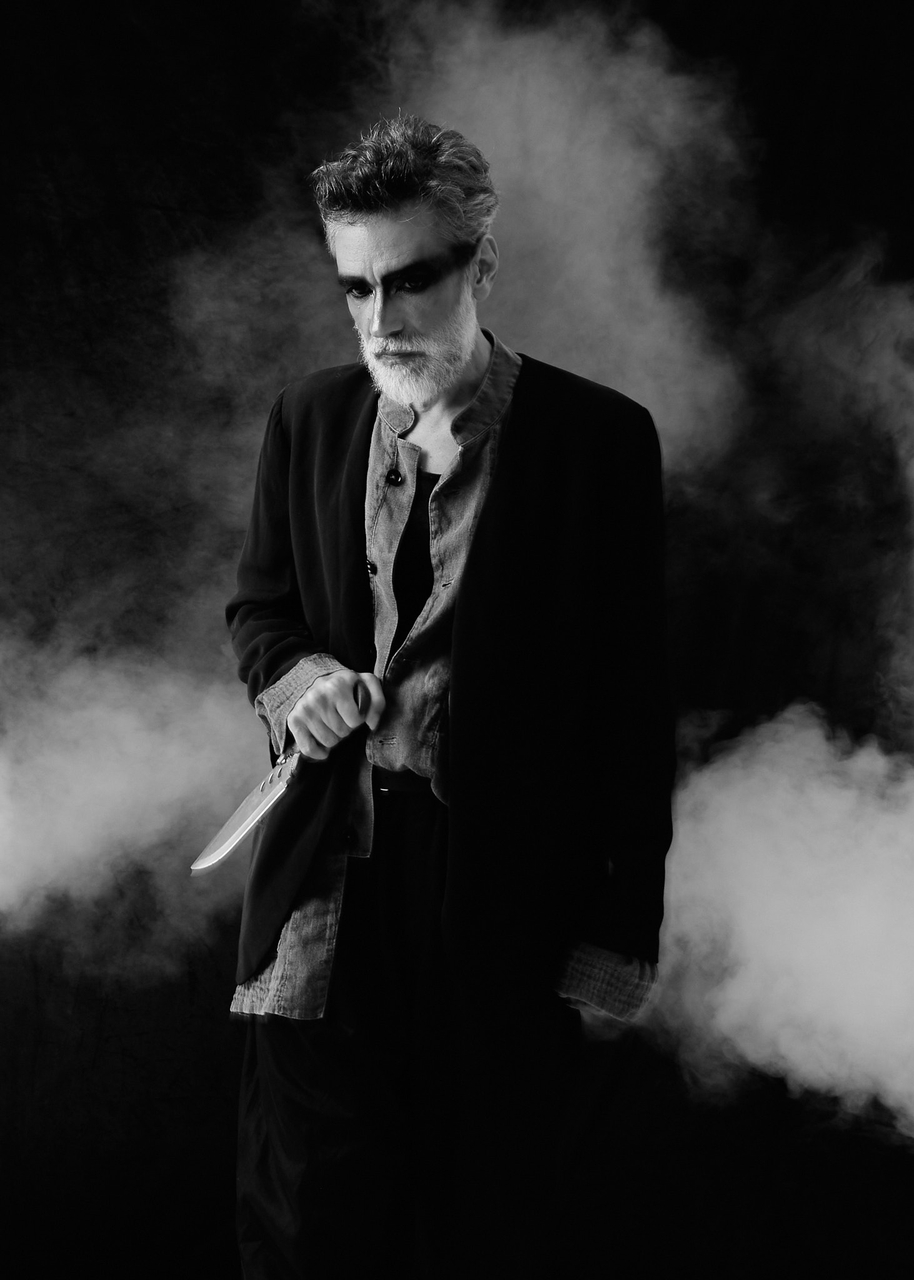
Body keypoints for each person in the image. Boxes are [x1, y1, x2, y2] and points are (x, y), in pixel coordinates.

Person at [227, 114, 675, 1279]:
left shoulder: (598, 440)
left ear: (481, 265)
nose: (382, 317)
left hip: (500, 898)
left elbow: (632, 703)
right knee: (311, 1225)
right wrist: (302, 681)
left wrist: (616, 929)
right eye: (357, 287)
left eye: (412, 279)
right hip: (325, 888)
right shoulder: (307, 417)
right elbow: (261, 613)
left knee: (485, 1221)